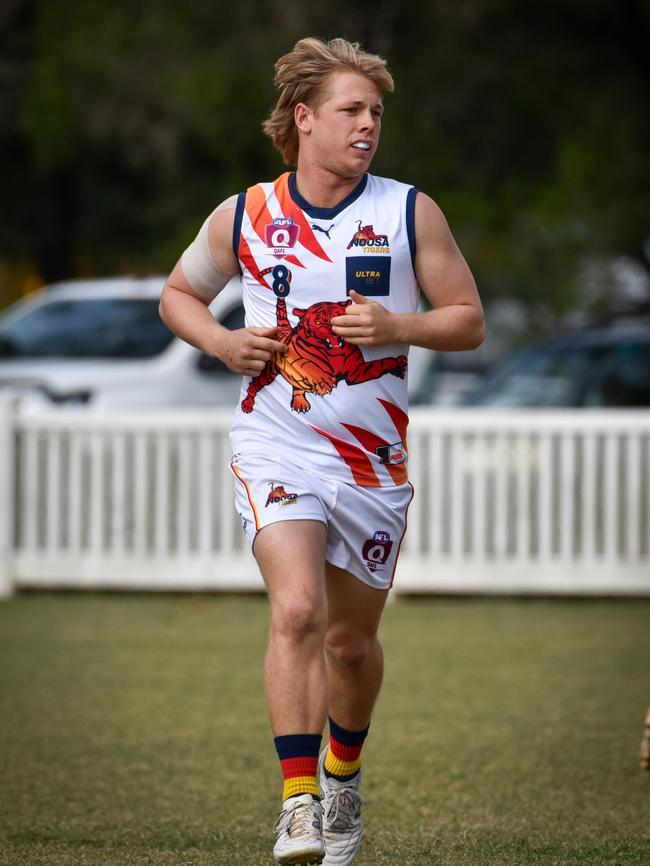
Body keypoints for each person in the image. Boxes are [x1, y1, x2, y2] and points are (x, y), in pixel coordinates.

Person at [159, 36, 484, 866]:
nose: (368, 124)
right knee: (298, 611)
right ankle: (298, 803)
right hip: (275, 441)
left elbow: (469, 321)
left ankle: (343, 772)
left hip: (372, 464)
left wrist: (401, 326)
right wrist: (223, 343)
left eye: (376, 111)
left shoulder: (410, 212)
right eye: (351, 110)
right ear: (304, 120)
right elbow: (178, 293)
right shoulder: (247, 215)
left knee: (349, 642)